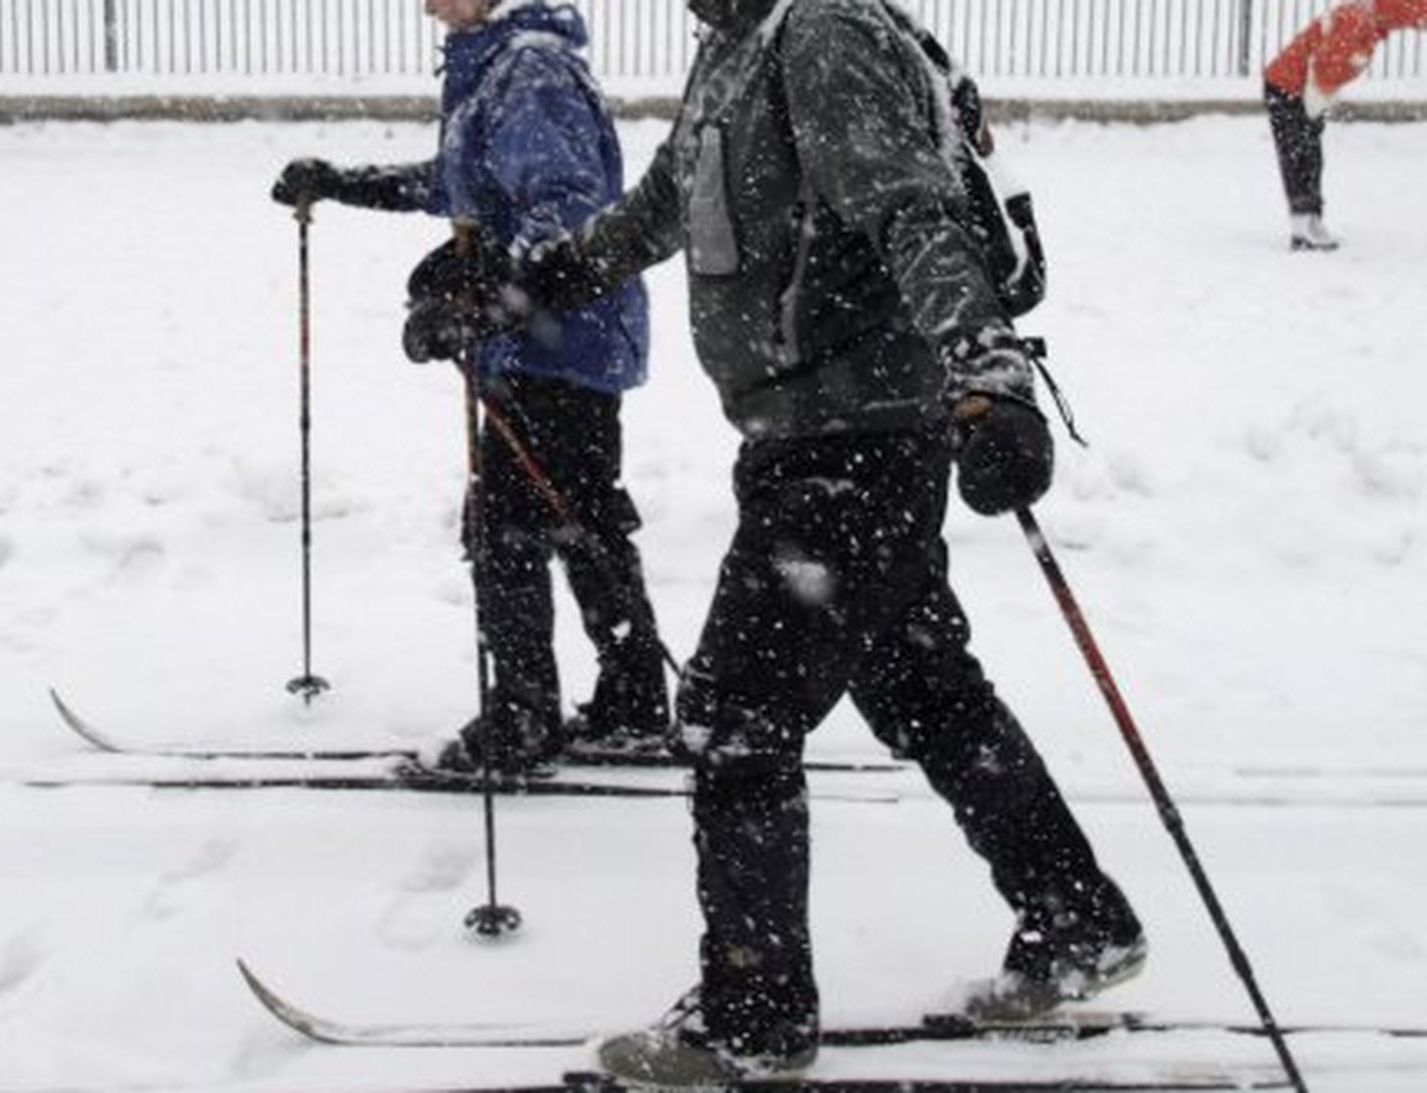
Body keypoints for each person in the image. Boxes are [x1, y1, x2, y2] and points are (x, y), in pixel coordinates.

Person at [408, 0, 1145, 1083]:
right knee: (923, 689)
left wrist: (988, 373)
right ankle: (1075, 917)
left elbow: (911, 209)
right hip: (814, 434)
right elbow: (656, 210)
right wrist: (518, 291)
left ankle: (753, 1017)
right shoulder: (735, 44)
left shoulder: (820, 33)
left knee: (735, 719)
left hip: (850, 440)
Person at [270, 0, 670, 773]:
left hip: (562, 339)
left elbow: (566, 210)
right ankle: (630, 699)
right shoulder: (491, 63)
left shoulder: (530, 70)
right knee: (575, 516)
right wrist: (345, 183)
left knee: (515, 526)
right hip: (545, 339)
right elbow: (462, 184)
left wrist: (486, 291)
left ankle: (528, 714)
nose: (425, 4)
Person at [1264, 0, 1427, 250]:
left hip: (1300, 90)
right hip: (1287, 87)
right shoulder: (1357, 21)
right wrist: (1320, 95)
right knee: (1300, 153)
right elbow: (1326, 66)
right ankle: (1304, 225)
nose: (1417, 27)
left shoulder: (1369, 22)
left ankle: (1310, 220)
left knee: (1307, 153)